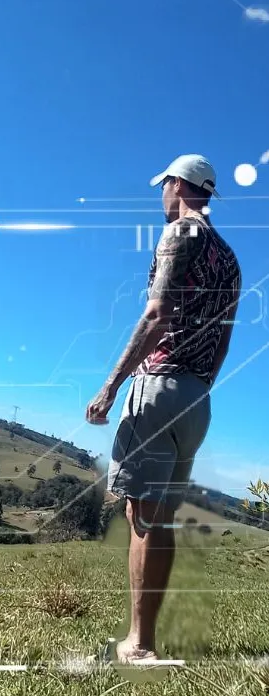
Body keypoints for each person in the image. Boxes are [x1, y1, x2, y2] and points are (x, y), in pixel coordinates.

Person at [85, 154, 242, 664]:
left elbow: (156, 313)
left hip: (160, 386)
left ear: (178, 184)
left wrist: (110, 386)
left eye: (164, 187)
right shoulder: (231, 259)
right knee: (163, 516)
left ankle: (139, 644)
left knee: (144, 517)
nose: (162, 197)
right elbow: (222, 340)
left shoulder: (180, 235)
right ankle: (143, 636)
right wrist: (197, 386)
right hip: (197, 396)